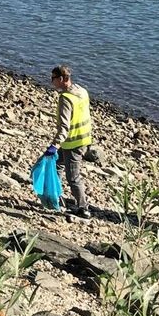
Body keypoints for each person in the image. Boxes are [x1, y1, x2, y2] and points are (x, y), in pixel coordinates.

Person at [45, 65, 93, 218]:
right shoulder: (82, 91)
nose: (51, 81)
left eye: (53, 78)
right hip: (85, 138)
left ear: (61, 79)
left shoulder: (65, 98)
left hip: (72, 142)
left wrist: (53, 146)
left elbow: (64, 128)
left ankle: (83, 207)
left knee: (73, 176)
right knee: (57, 165)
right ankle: (56, 197)